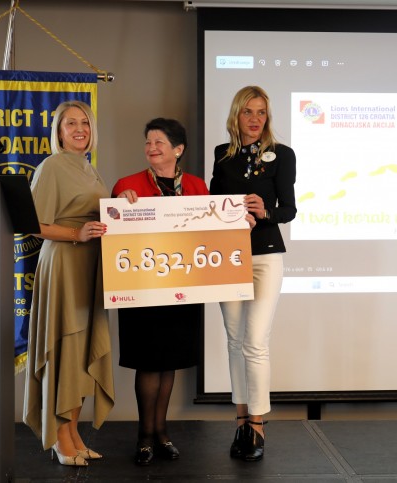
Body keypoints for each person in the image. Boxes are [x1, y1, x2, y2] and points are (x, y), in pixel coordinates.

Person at [112, 118, 210, 466]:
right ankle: (144, 436)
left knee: (169, 362)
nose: (151, 148)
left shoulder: (197, 186)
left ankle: (161, 432)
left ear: (178, 149)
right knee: (148, 362)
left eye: (159, 142)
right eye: (148, 142)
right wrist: (118, 205)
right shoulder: (128, 185)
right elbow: (112, 227)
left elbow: (210, 233)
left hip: (182, 288)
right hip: (142, 288)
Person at [23, 100, 114, 467]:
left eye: (85, 123)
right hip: (63, 265)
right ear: (59, 132)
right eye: (71, 124)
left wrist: (123, 202)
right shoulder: (52, 166)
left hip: (90, 267)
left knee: (80, 354)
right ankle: (60, 438)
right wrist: (77, 234)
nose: (80, 129)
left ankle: (74, 434)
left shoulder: (90, 169)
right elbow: (32, 223)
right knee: (66, 348)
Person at [209, 86, 297, 462]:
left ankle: (257, 425)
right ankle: (241, 419)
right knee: (234, 340)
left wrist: (265, 212)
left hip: (265, 256)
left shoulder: (283, 154)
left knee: (255, 341)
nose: (255, 119)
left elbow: (289, 209)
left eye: (261, 112)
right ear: (236, 116)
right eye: (248, 112)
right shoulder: (222, 155)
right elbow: (212, 203)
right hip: (228, 258)